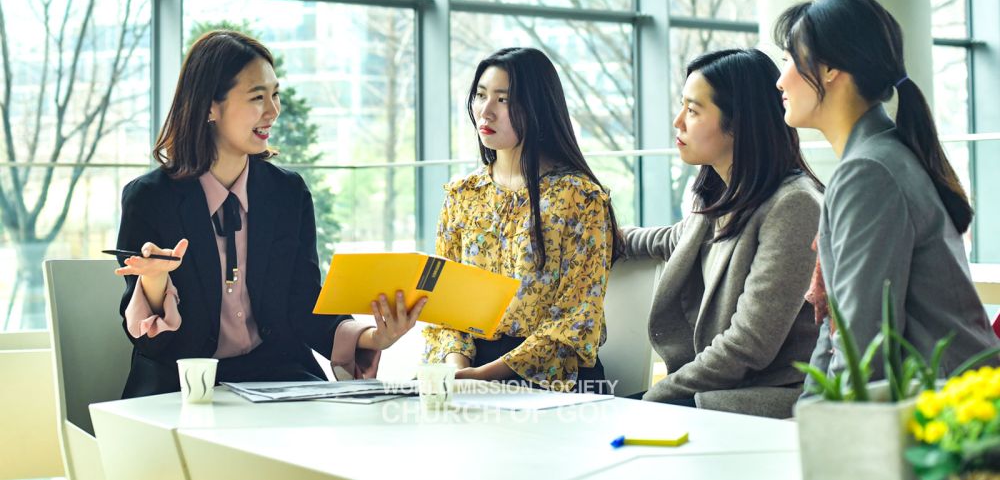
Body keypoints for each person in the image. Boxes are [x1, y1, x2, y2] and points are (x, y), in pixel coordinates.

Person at [115, 30, 425, 398]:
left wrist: (374, 336)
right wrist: (154, 282)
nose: (273, 110)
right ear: (209, 106)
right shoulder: (150, 199)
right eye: (257, 97)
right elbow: (153, 345)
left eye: (274, 94)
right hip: (185, 386)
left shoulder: (287, 194)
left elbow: (304, 304)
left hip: (277, 376)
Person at [773, 0, 999, 385]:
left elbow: (862, 348)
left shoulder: (869, 172)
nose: (780, 80)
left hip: (943, 415)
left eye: (790, 60)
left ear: (829, 69)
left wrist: (813, 424)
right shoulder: (882, 156)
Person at [623, 48, 823, 418]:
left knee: (615, 417)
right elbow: (670, 240)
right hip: (717, 387)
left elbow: (748, 345)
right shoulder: (719, 192)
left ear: (738, 124)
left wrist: (656, 396)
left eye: (694, 110)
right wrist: (590, 231)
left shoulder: (794, 205)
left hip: (765, 397)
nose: (678, 121)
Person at [422, 47, 623, 392]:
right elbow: (443, 305)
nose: (486, 111)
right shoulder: (462, 195)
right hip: (467, 369)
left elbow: (577, 319)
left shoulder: (580, 197)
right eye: (481, 95)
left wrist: (483, 377)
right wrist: (457, 369)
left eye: (503, 100)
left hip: (555, 378)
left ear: (537, 108)